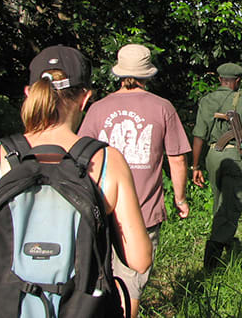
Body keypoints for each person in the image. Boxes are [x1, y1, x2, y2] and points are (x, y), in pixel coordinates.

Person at [0, 45, 152, 296]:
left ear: (29, 93)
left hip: (13, 307)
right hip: (81, 307)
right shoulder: (106, 161)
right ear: (86, 98)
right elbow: (140, 260)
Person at [78, 43, 191, 317]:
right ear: (147, 73)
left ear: (119, 72)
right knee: (131, 281)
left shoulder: (97, 109)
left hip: (99, 209)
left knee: (96, 275)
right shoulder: (163, 107)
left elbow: (79, 156)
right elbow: (176, 158)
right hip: (143, 211)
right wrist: (180, 199)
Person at [191, 62, 242, 270]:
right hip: (234, 156)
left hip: (213, 154)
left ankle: (228, 242)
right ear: (238, 80)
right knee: (231, 206)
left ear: (219, 79)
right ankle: (211, 262)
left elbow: (199, 135)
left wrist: (195, 166)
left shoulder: (207, 100)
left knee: (220, 202)